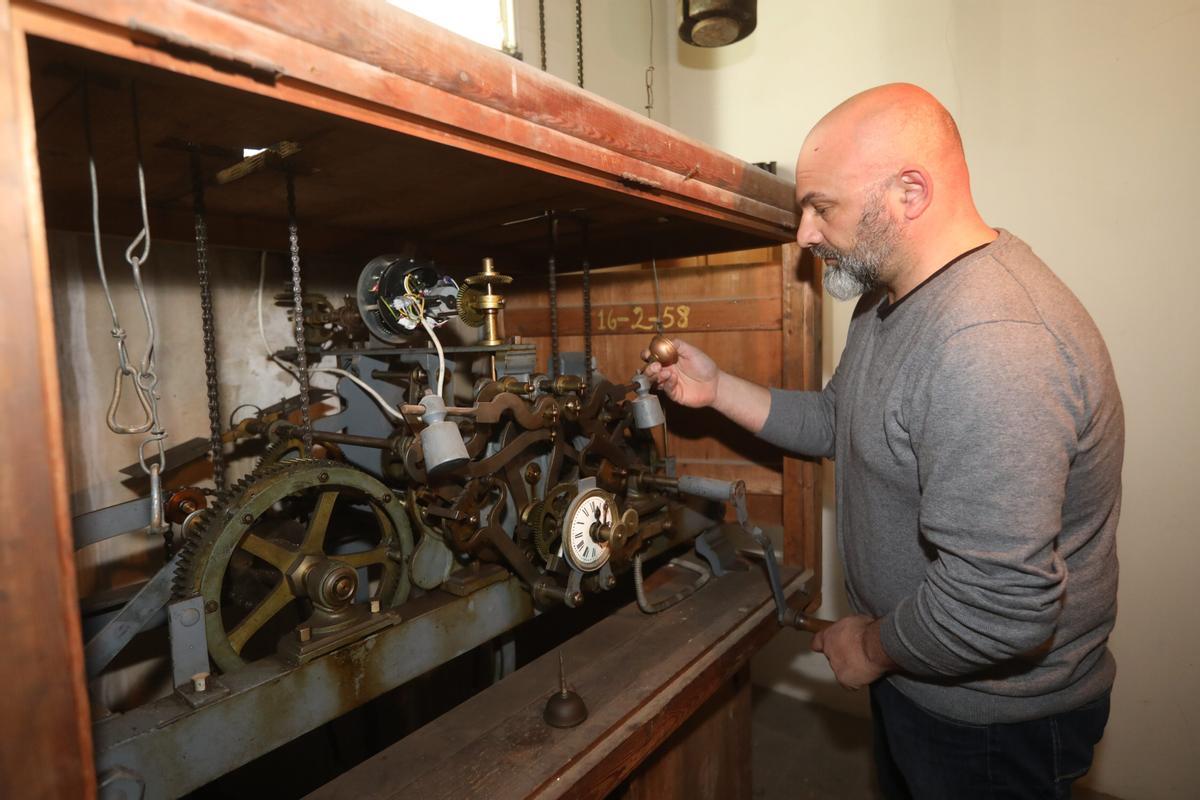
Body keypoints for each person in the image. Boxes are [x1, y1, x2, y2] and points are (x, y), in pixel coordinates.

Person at [643, 83, 1123, 799]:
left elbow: (1001, 608)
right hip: (917, 669)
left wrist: (868, 646)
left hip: (989, 721)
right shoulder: (884, 302)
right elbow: (843, 419)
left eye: (820, 207)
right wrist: (718, 392)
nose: (803, 234)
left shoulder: (992, 343)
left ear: (910, 192)